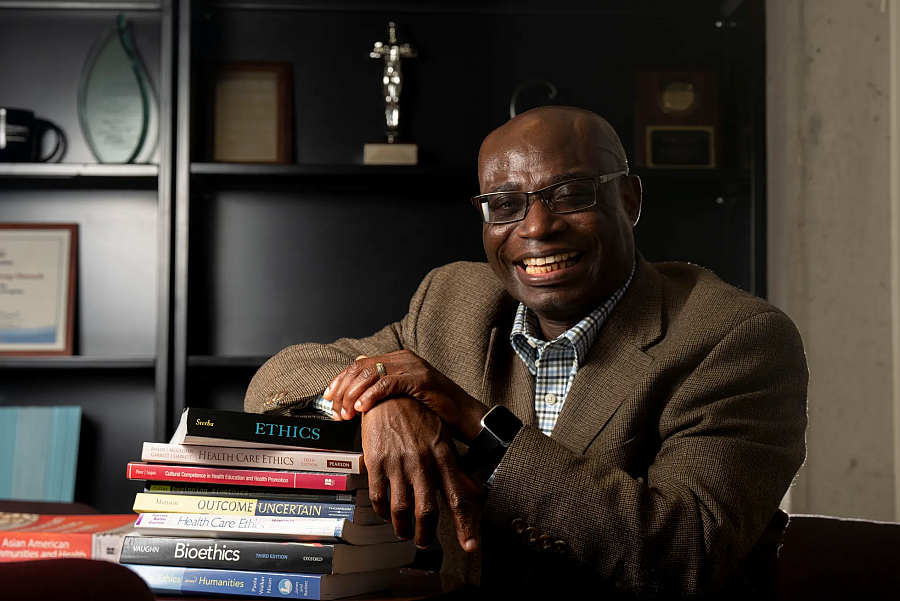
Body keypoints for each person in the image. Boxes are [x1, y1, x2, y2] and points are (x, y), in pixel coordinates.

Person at [244, 106, 808, 599]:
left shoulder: (737, 338)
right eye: (505, 204)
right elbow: (277, 378)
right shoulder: (454, 300)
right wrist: (382, 401)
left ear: (630, 199)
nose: (536, 227)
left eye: (571, 194)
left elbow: (684, 555)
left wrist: (468, 417)